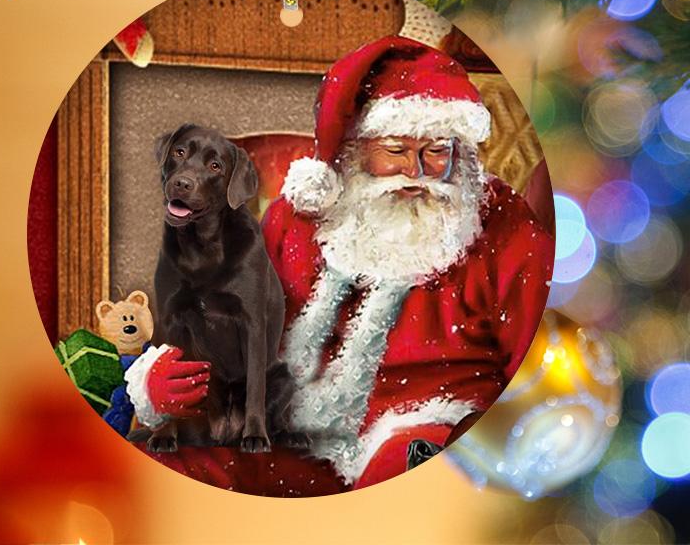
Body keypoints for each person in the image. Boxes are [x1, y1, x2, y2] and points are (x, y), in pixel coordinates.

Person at [125, 35, 554, 495]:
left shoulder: (500, 226)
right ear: (356, 147)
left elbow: (539, 369)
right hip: (294, 436)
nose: (418, 171)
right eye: (395, 150)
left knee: (404, 464)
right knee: (172, 471)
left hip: (428, 427)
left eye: (437, 151)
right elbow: (231, 326)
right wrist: (163, 384)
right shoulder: (295, 218)